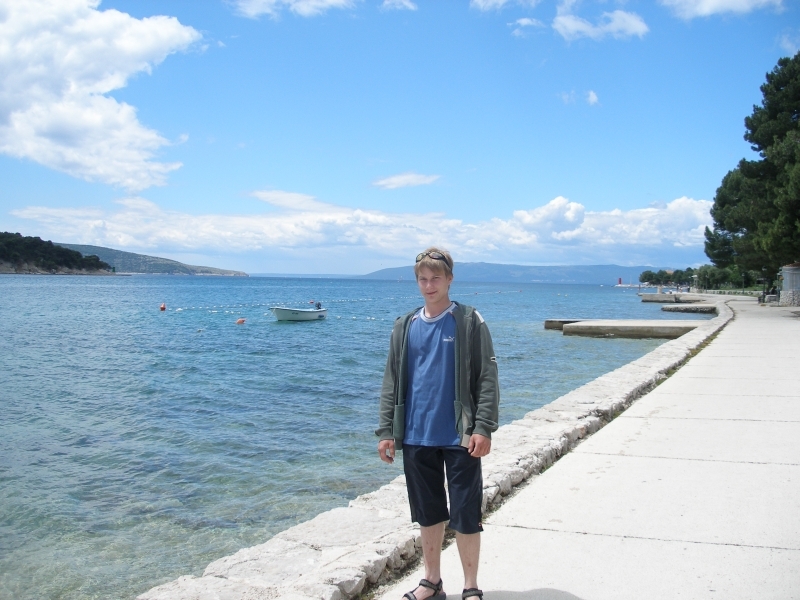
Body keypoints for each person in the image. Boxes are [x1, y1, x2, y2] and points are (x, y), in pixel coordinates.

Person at [376, 247, 499, 600]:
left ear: (449, 280)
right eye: (423, 279)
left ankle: (471, 586)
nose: (429, 285)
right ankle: (431, 582)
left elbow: (487, 377)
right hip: (416, 435)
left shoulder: (469, 320)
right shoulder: (405, 326)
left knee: (465, 514)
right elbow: (391, 380)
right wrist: (387, 431)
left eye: (436, 278)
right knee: (427, 513)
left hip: (460, 435)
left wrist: (483, 427)